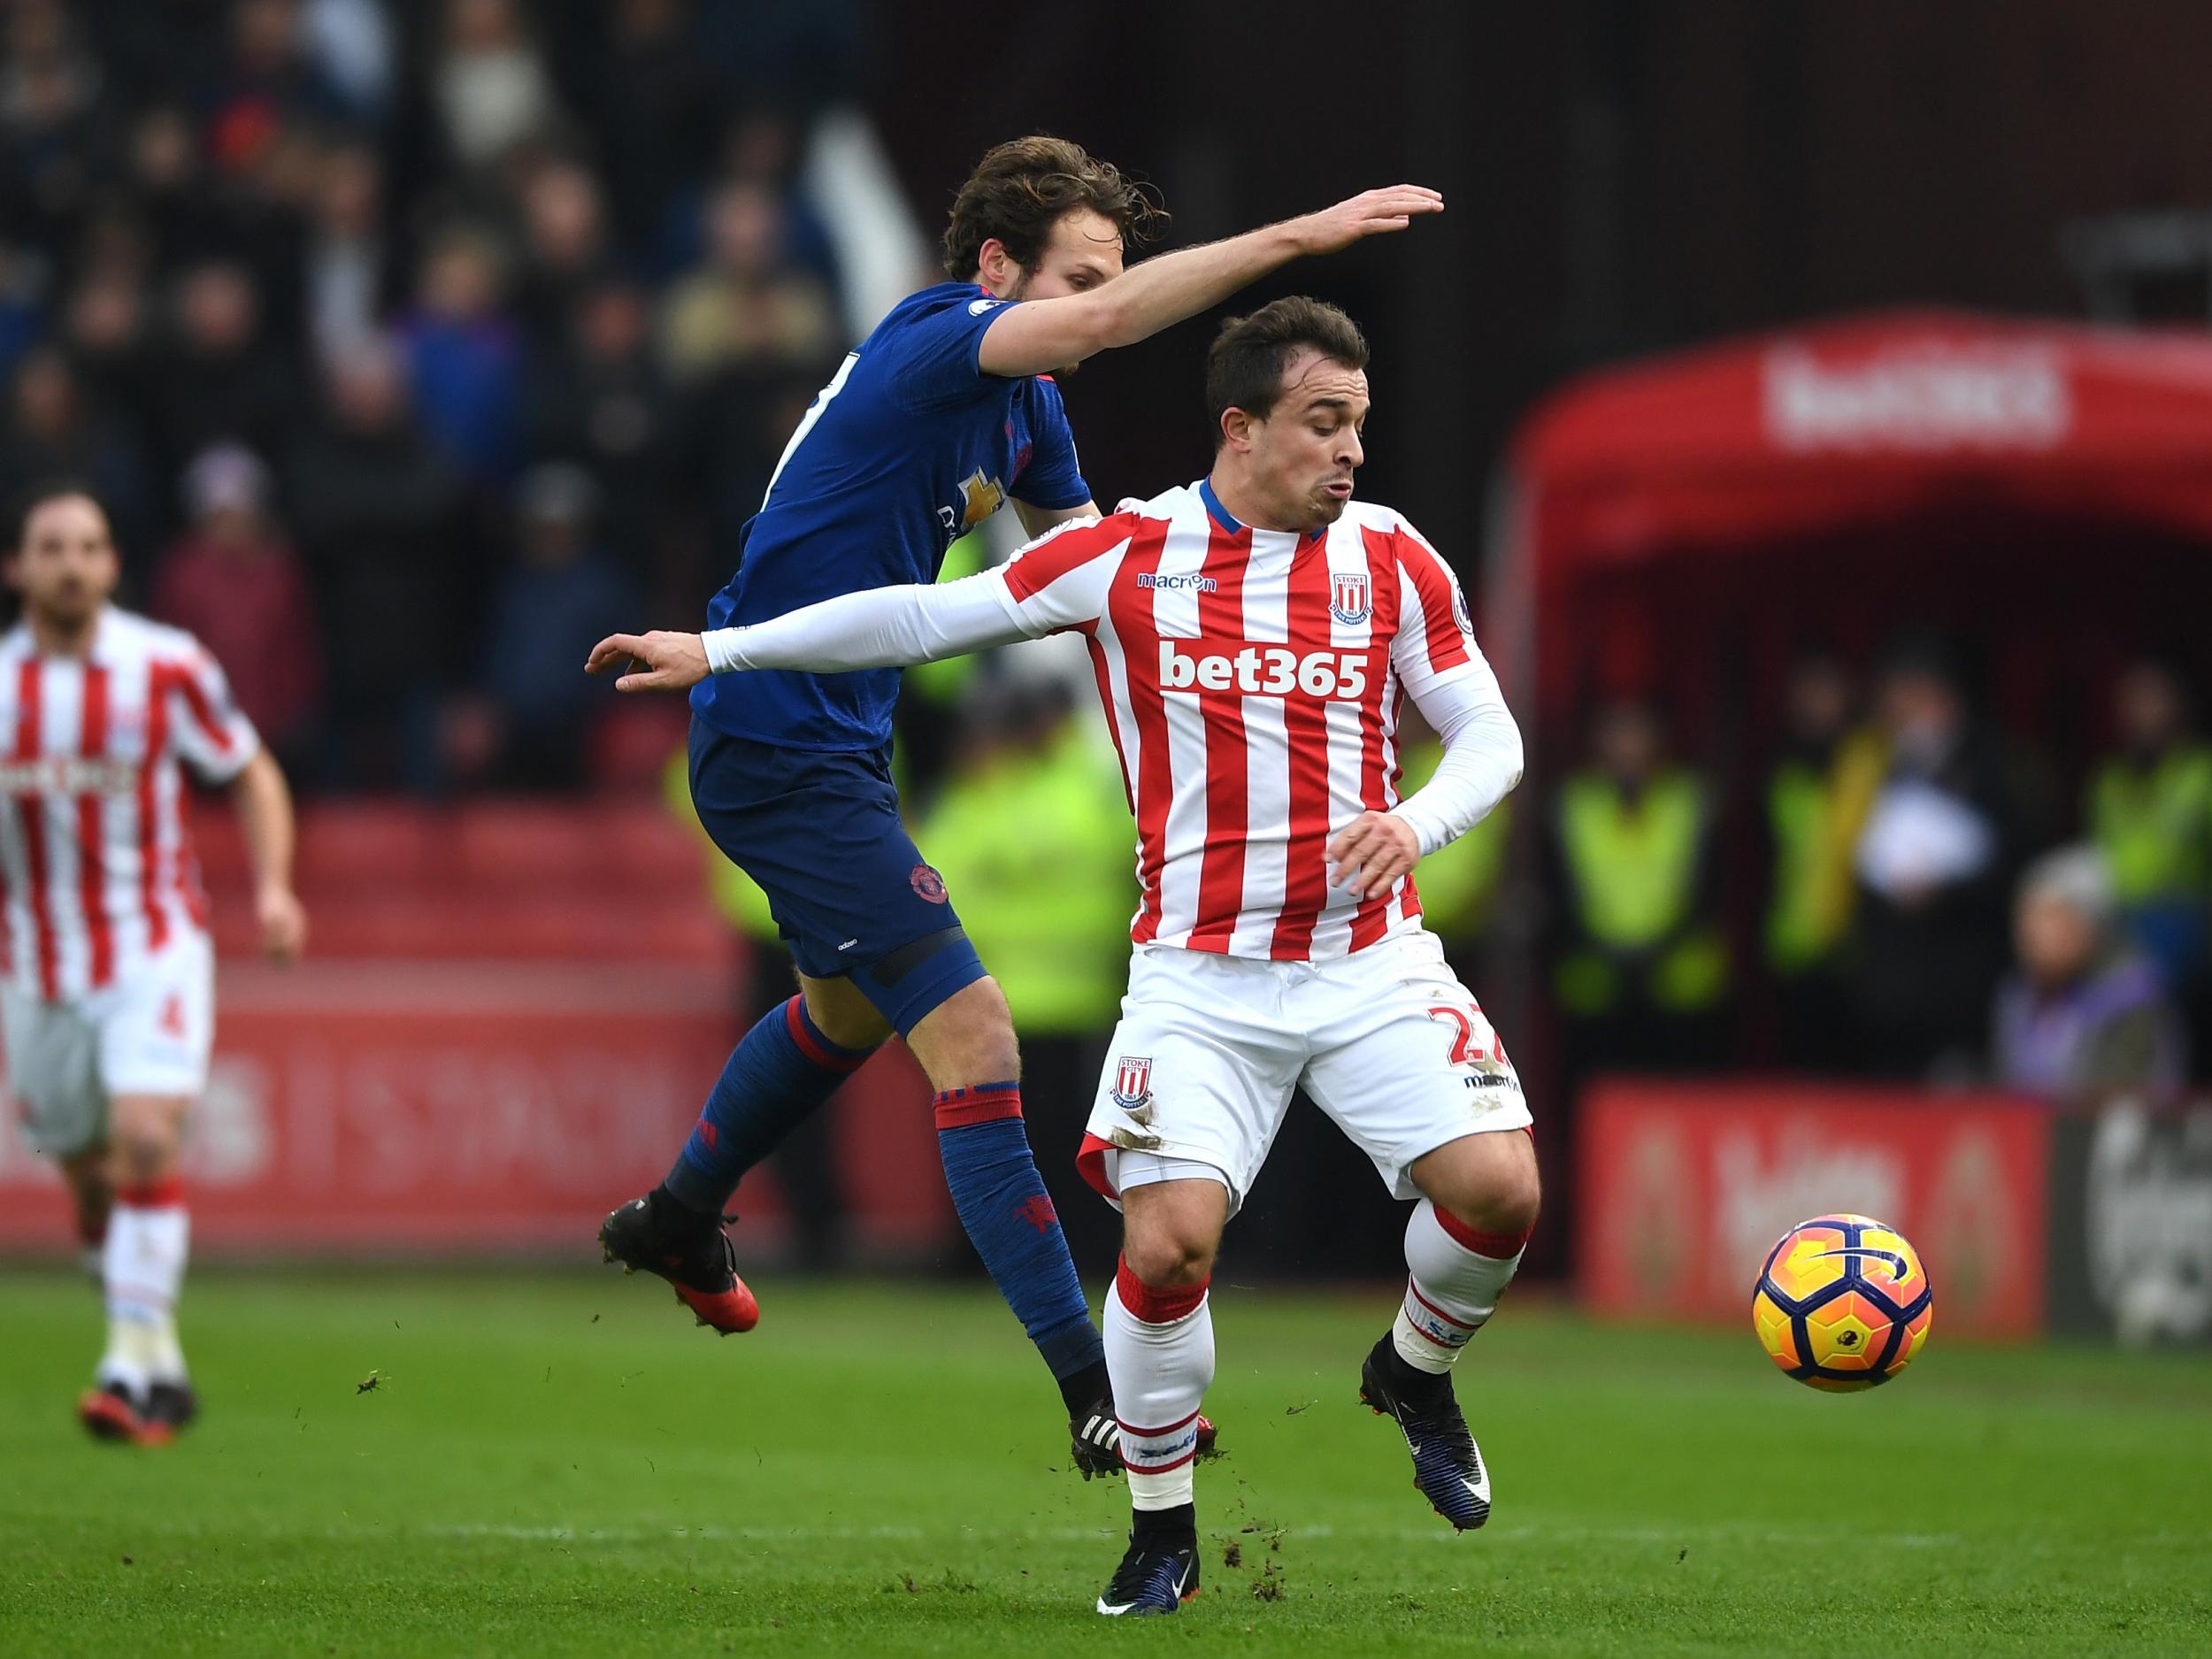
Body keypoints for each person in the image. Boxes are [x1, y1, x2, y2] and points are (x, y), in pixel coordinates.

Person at [593, 296, 1533, 1616]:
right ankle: (1163, 1534)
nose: (1351, 453)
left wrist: (1414, 819)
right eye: (1325, 424)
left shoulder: (1394, 558)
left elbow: (1491, 738)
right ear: (1243, 426)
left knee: (1498, 1194)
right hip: (1201, 977)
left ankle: (1415, 1370)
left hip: (1370, 958)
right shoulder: (1126, 552)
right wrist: (724, 647)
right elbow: (922, 617)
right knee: (1165, 1250)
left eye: (1359, 426)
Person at [3, 482, 307, 1446]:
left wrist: (273, 887)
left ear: (112, 566)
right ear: (18, 567)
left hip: (152, 943)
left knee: (145, 1139)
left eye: (88, 546)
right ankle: (159, 1358)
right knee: (93, 1182)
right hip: (37, 963)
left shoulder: (164, 667)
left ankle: (124, 1369)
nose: (70, 564)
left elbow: (250, 769)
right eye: (51, 547)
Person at [1993, 846, 2185, 1098]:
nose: (2030, 935)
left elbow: (2114, 1096)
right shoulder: (2017, 997)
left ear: (2090, 924)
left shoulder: (2130, 994)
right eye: (2025, 919)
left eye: (2049, 919)